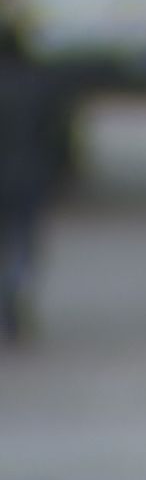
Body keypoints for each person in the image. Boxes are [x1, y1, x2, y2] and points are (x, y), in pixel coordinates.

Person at [0, 20, 62, 342]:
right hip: (28, 175)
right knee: (23, 241)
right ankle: (14, 290)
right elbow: (55, 135)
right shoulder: (38, 83)